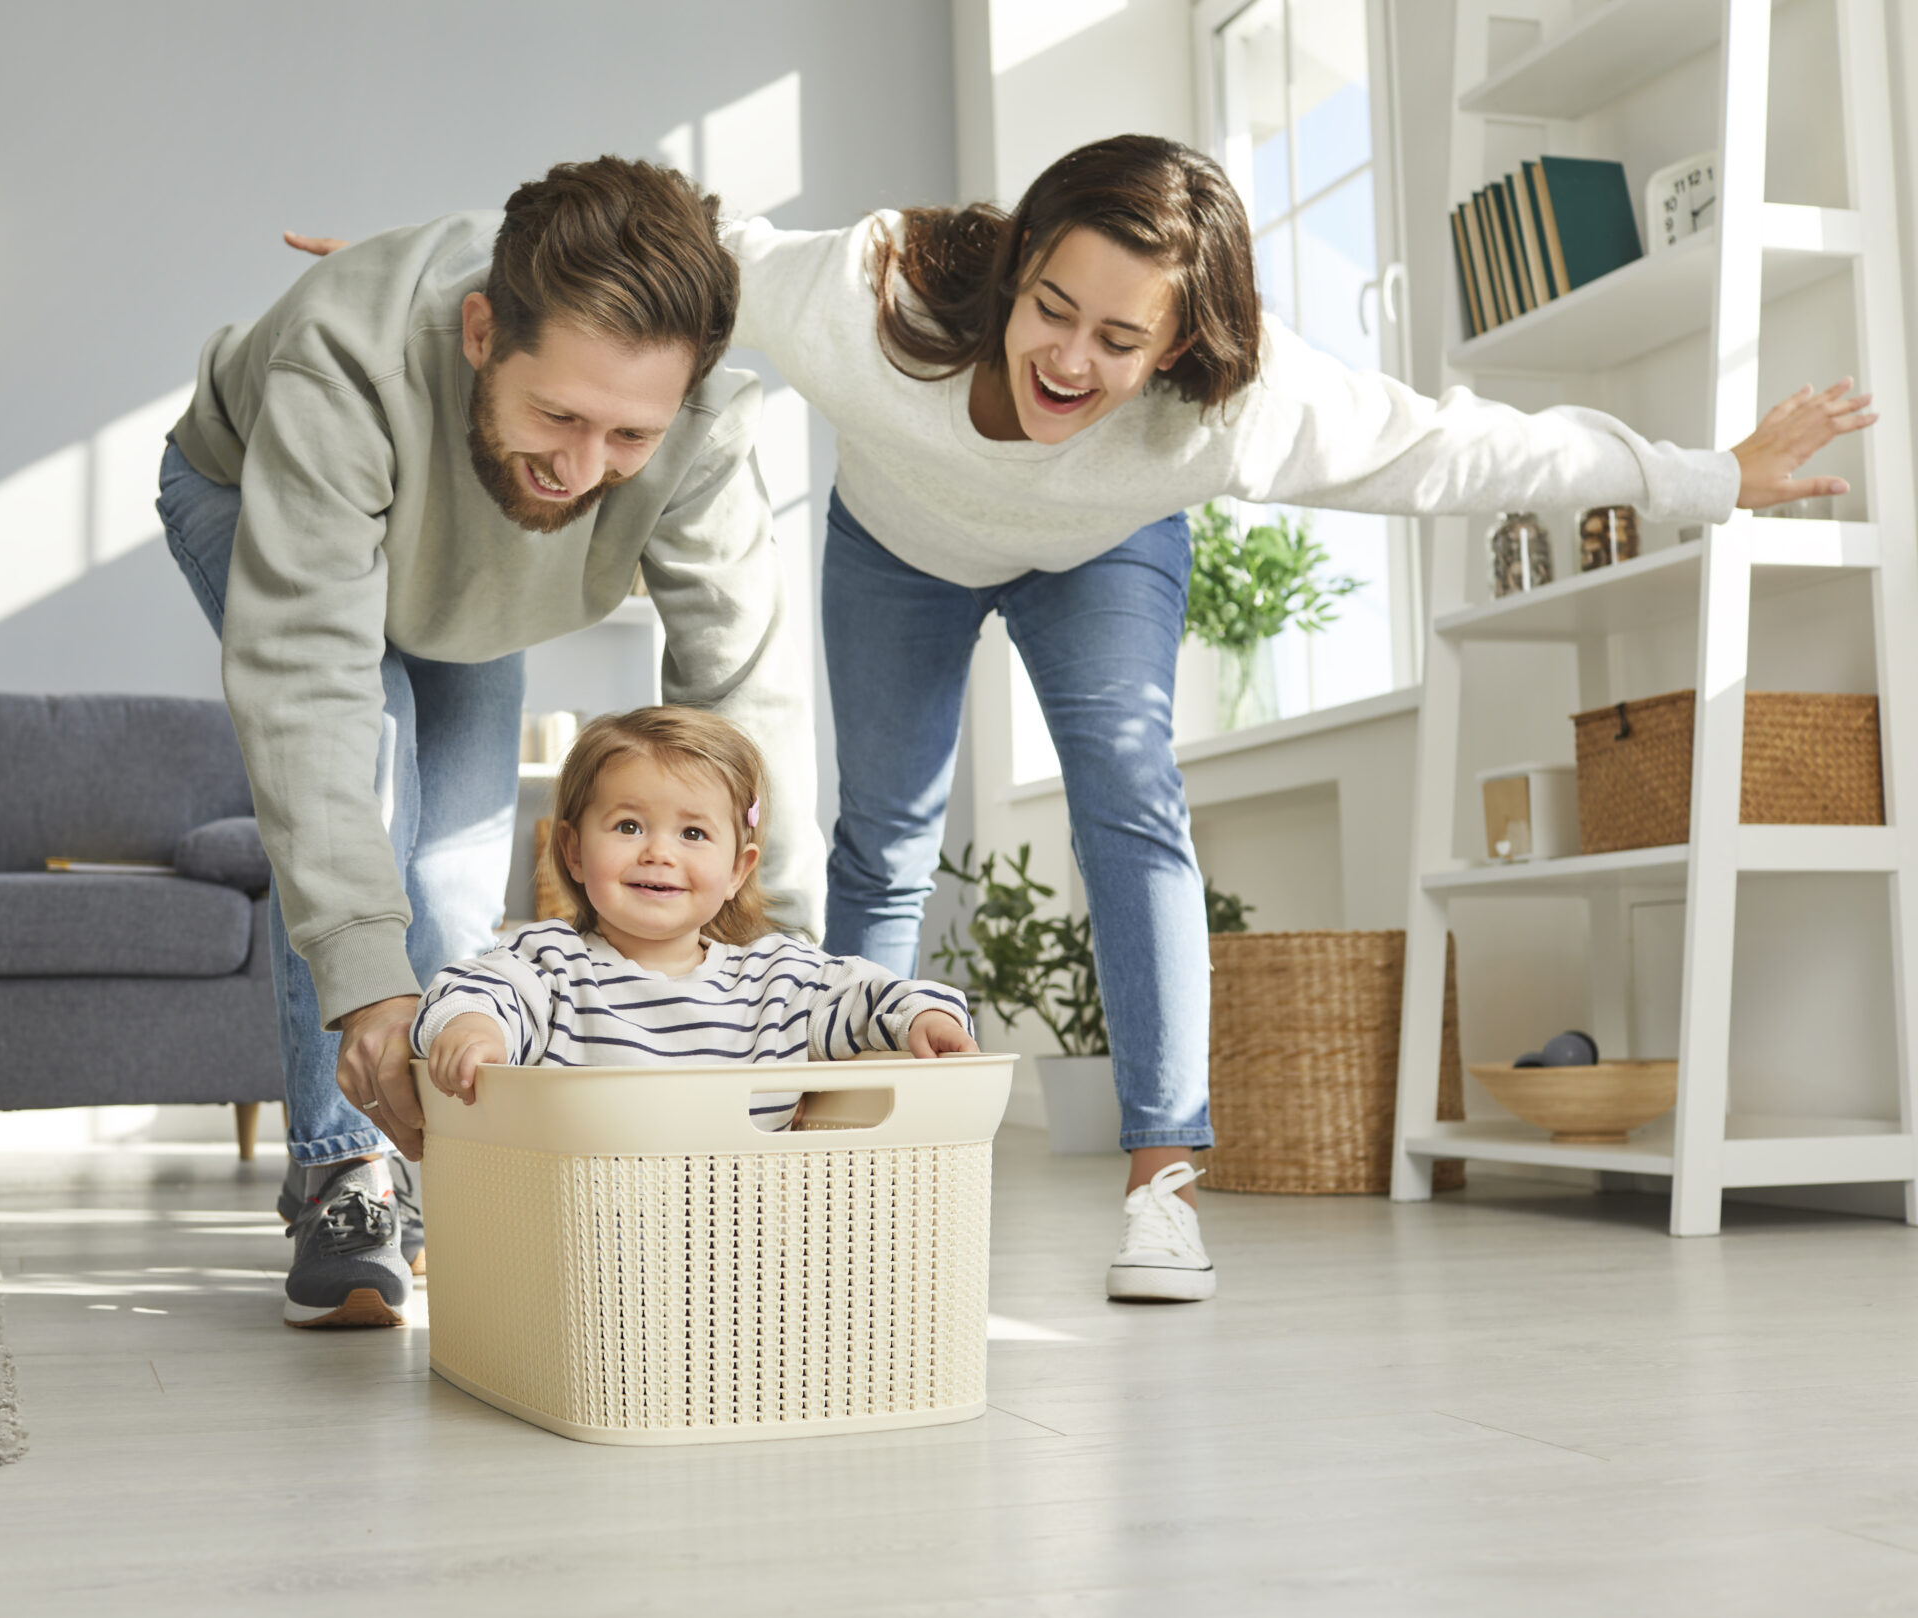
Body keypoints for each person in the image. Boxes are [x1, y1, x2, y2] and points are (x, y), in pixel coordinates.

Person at [290, 133, 1873, 1305]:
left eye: (1124, 340)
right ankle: (836, 1169)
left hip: (1105, 549)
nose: (1070, 357)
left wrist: (1707, 478)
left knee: (1128, 781)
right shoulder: (873, 293)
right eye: (1053, 307)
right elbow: (655, 240)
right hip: (901, 546)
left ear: (1181, 342)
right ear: (1019, 259)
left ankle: (1162, 1178)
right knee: (888, 826)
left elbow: (1463, 451)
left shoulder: (1245, 408)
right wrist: (424, 278)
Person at [157, 158, 821, 1330]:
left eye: (628, 435)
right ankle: (342, 1174)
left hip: (477, 561)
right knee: (372, 788)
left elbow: (740, 702)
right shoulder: (343, 363)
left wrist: (792, 970)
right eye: (558, 413)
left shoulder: (706, 428)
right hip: (246, 481)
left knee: (456, 875)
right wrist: (367, 996)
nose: (582, 471)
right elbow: (311, 696)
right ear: (478, 332)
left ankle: (460, 1161)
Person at [416, 706, 977, 1122]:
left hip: (740, 1254)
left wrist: (927, 1019)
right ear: (573, 851)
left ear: (738, 868)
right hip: (589, 1247)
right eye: (628, 826)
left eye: (693, 833)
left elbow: (872, 997)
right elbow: (474, 989)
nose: (659, 853)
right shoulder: (550, 966)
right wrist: (474, 1027)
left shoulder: (778, 982)